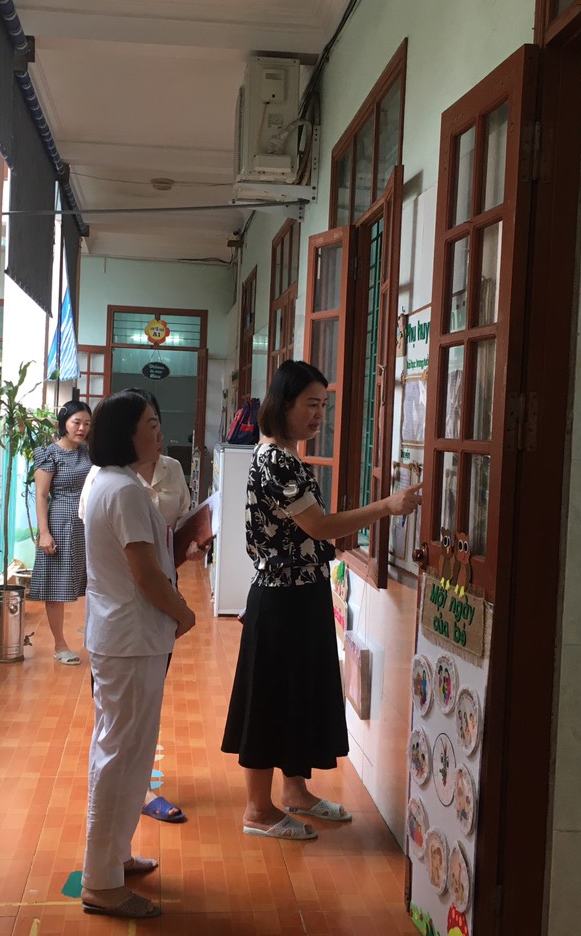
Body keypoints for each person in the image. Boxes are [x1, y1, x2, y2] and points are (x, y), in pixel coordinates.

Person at [221, 360, 423, 841]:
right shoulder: (277, 460)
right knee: (271, 699)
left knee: (297, 695)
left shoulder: (285, 456)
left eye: (323, 405)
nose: (319, 415)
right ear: (283, 404)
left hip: (301, 593)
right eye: (310, 404)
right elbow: (320, 526)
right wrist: (386, 506)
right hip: (281, 600)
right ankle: (257, 810)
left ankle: (295, 792)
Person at [80, 392, 196, 920]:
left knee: (126, 753)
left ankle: (116, 857)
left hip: (125, 636)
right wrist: (183, 612)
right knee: (121, 756)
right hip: (129, 638)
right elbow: (145, 575)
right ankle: (101, 883)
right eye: (150, 424)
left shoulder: (111, 482)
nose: (159, 432)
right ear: (127, 434)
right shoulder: (123, 490)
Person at [30, 400, 93, 666]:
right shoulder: (49, 454)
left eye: (87, 423)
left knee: (93, 581)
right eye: (76, 422)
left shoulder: (88, 452)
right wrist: (44, 533)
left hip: (88, 523)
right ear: (64, 423)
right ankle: (59, 645)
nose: (81, 428)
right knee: (57, 584)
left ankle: (94, 634)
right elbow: (41, 495)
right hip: (61, 522)